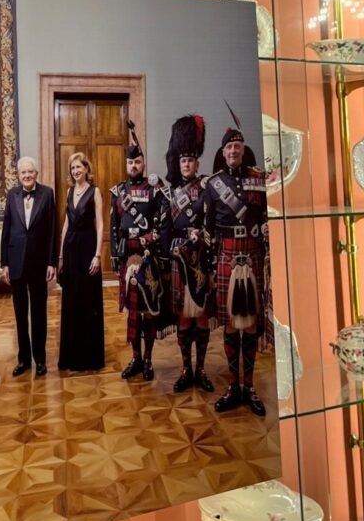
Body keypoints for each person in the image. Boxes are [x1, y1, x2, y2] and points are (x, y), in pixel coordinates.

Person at [203, 124, 269, 416]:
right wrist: (210, 266)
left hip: (253, 254)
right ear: (223, 151)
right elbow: (207, 229)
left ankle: (249, 387)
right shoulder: (213, 184)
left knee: (251, 323)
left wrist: (268, 227)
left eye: (237, 146)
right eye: (229, 147)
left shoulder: (259, 178)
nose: (233, 151)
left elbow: (268, 213)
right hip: (226, 257)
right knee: (231, 323)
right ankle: (233, 386)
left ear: (243, 149)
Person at [159, 115, 214, 393]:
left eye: (191, 161)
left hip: (200, 260)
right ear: (178, 163)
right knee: (183, 316)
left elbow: (212, 224)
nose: (187, 165)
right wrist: (168, 259)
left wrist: (201, 238)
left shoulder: (206, 190)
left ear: (197, 164)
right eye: (183, 161)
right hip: (178, 260)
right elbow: (165, 231)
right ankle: (185, 369)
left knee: (200, 317)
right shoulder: (170, 195)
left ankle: (201, 369)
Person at [110, 131, 168, 380]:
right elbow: (114, 226)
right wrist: (115, 256)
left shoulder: (155, 189)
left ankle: (148, 360)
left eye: (137, 161)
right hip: (127, 258)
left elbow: (163, 222)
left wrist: (151, 239)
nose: (133, 166)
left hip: (147, 257)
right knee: (132, 311)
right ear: (126, 164)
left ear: (144, 163)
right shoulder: (118, 191)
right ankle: (135, 358)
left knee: (148, 312)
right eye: (130, 162)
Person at [0, 156, 56, 377]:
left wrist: (51, 262)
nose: (27, 176)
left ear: (36, 174)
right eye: (23, 172)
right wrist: (4, 263)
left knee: (39, 313)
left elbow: (52, 230)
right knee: (20, 314)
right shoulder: (12, 195)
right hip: (16, 263)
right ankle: (23, 359)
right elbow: (6, 230)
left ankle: (40, 359)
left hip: (39, 263)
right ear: (18, 175)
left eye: (30, 172)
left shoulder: (47, 194)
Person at [58, 152, 105, 371]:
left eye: (79, 167)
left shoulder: (95, 192)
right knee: (72, 301)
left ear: (86, 168)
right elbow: (66, 225)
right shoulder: (69, 191)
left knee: (88, 300)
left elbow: (100, 224)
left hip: (87, 249)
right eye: (73, 168)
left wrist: (97, 255)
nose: (76, 171)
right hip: (70, 250)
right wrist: (60, 256)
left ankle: (89, 358)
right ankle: (71, 356)